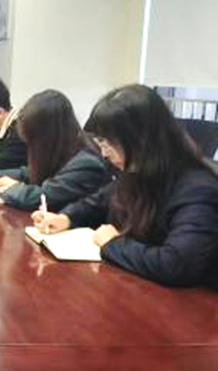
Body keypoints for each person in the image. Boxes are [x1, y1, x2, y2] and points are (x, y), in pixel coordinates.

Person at [33, 85, 218, 287]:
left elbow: (175, 264)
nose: (104, 153)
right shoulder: (140, 171)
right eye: (101, 143)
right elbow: (100, 201)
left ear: (142, 139)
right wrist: (66, 218)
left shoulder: (198, 189)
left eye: (110, 143)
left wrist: (113, 244)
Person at [0, 90, 111, 211]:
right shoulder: (63, 149)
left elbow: (43, 197)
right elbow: (29, 172)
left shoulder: (87, 162)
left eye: (32, 141)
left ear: (47, 136)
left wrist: (13, 188)